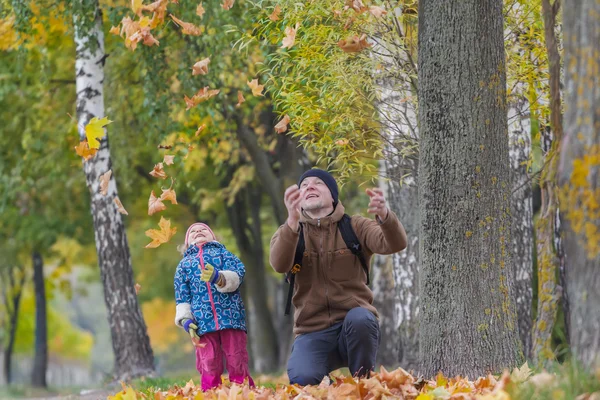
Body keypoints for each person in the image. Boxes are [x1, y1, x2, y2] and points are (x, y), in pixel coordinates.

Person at [270, 169, 408, 385]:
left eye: (318, 183)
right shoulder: (289, 232)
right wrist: (292, 222)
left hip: (353, 327)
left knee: (361, 318)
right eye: (304, 185)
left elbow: (396, 243)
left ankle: (362, 385)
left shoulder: (355, 226)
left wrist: (385, 216)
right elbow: (279, 264)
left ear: (332, 195)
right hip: (312, 331)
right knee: (302, 379)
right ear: (299, 199)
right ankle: (333, 388)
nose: (310, 187)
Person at [174, 222, 254, 391]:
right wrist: (186, 320)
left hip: (230, 316)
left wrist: (220, 278)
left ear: (214, 237)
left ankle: (242, 390)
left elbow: (239, 273)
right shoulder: (184, 266)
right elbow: (182, 296)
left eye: (203, 229)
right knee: (208, 361)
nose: (198, 232)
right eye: (193, 231)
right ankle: (211, 391)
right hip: (202, 321)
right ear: (187, 243)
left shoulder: (224, 255)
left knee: (236, 356)